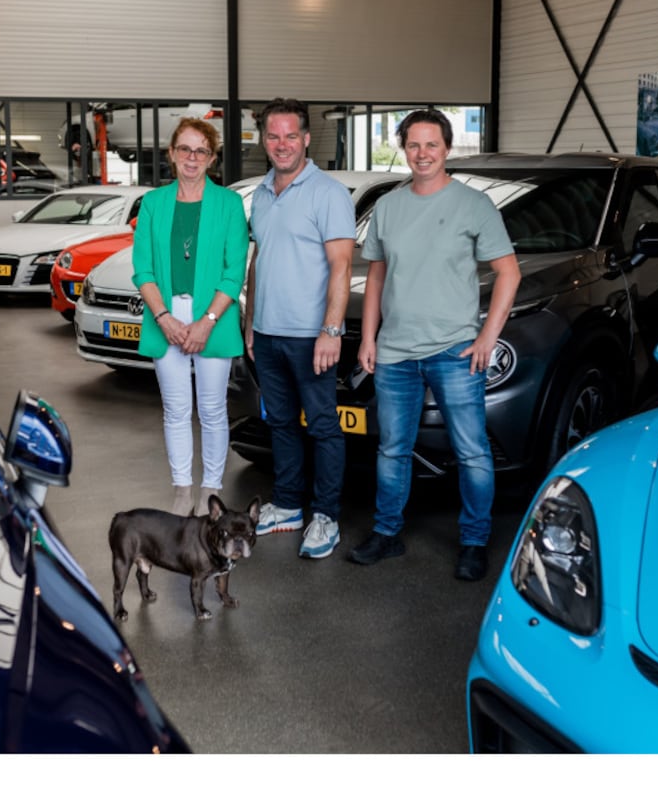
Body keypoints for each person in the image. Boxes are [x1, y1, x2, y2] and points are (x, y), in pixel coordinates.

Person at [347, 109, 521, 582]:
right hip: (395, 354)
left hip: (454, 352)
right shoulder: (388, 206)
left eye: (431, 144)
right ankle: (387, 533)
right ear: (403, 148)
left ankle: (474, 541)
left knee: (472, 453)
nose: (422, 154)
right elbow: (377, 276)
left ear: (446, 148)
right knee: (392, 450)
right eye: (413, 145)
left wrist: (488, 336)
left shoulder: (474, 205)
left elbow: (509, 272)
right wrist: (369, 338)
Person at [244, 98, 355, 559]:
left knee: (324, 426)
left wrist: (331, 330)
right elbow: (259, 259)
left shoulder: (328, 193)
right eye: (273, 136)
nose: (282, 144)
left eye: (291, 135)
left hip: (311, 335)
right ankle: (288, 505)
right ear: (264, 141)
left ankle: (325, 516)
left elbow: (342, 265)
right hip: (268, 334)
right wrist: (251, 322)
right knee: (282, 423)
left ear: (307, 139)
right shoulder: (261, 194)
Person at [132, 117, 250, 516]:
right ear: (172, 153)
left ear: (212, 158)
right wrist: (164, 318)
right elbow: (143, 269)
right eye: (185, 148)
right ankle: (182, 490)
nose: (192, 157)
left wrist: (206, 322)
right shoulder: (153, 203)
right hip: (165, 315)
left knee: (213, 410)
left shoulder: (229, 204)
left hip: (213, 316)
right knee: (176, 409)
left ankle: (209, 491)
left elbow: (234, 271)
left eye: (202, 150)